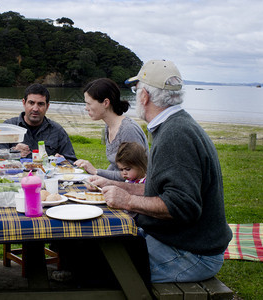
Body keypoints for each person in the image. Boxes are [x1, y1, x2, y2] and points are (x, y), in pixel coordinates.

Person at [89, 59, 232, 283]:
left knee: (95, 268)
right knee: (98, 244)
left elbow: (182, 205)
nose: (136, 96)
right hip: (179, 241)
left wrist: (127, 200)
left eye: (136, 90)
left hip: (193, 254)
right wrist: (118, 185)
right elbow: (165, 190)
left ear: (144, 96)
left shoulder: (175, 135)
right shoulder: (174, 125)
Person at [74, 78, 148, 180]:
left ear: (105, 103)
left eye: (89, 103)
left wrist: (96, 172)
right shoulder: (108, 127)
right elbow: (114, 167)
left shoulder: (128, 130)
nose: (86, 108)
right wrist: (98, 176)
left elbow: (135, 174)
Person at [0, 83, 77, 163]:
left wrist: (63, 161)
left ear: (47, 106)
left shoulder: (57, 131)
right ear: (24, 103)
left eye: (40, 104)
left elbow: (72, 161)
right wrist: (13, 152)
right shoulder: (8, 127)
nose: (35, 109)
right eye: (31, 103)